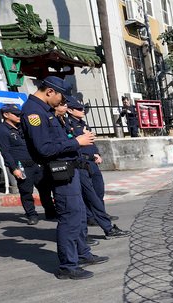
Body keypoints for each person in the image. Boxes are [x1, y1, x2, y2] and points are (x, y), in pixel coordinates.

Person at [21, 75, 107, 280]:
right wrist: (77, 141)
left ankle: (82, 254)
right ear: (50, 91)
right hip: (59, 172)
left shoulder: (46, 110)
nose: (62, 102)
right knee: (69, 217)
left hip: (70, 169)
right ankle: (68, 266)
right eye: (60, 97)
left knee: (77, 215)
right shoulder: (34, 112)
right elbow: (45, 149)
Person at [65, 96, 129, 239]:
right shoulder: (67, 125)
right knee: (91, 197)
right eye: (79, 109)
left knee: (98, 192)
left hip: (91, 162)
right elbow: (74, 145)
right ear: (70, 110)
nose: (83, 111)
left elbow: (90, 143)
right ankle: (107, 227)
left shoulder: (82, 124)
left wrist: (96, 153)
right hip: (80, 164)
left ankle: (98, 216)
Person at [0, 104, 52, 225]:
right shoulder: (2, 130)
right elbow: (5, 152)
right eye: (15, 114)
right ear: (6, 115)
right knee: (26, 192)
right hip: (21, 166)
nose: (19, 116)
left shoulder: (22, 127)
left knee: (45, 188)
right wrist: (14, 168)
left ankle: (50, 211)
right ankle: (31, 214)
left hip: (36, 163)